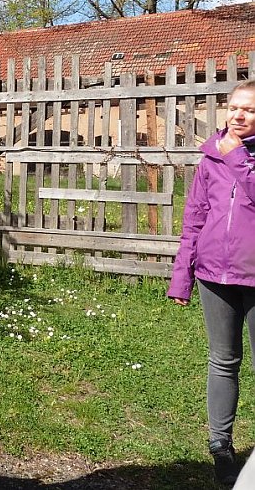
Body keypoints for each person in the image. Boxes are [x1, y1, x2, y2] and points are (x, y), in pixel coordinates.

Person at [168, 78, 255, 487]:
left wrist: (236, 155)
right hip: (213, 276)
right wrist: (181, 276)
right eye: (234, 107)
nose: (239, 115)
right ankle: (221, 445)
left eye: (249, 109)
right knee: (223, 360)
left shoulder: (233, 154)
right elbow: (194, 219)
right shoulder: (210, 157)